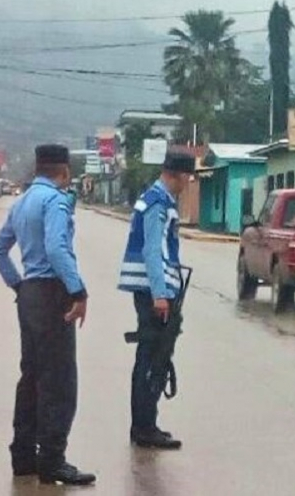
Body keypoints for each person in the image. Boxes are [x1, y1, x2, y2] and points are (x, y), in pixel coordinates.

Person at [0, 144, 96, 486]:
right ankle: (52, 461)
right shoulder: (56, 201)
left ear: (37, 169)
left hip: (30, 296)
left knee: (31, 377)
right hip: (52, 294)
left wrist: (18, 285)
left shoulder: (21, 203)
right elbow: (56, 247)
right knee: (59, 382)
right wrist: (78, 290)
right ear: (64, 172)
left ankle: (23, 457)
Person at [117, 149, 196, 450]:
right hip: (153, 293)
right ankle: (144, 427)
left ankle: (146, 424)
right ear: (175, 174)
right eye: (187, 176)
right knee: (152, 358)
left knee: (154, 357)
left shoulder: (159, 200)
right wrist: (160, 294)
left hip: (155, 290)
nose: (188, 182)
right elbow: (153, 250)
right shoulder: (157, 203)